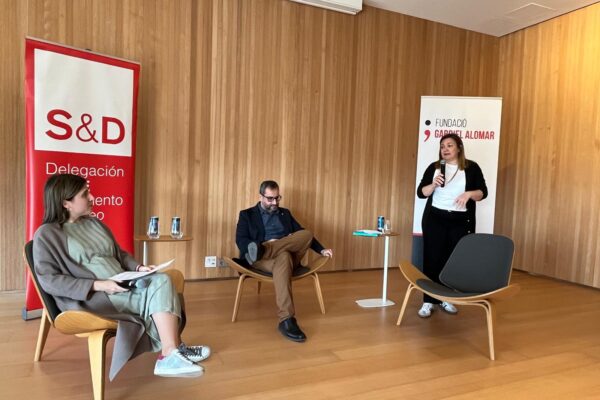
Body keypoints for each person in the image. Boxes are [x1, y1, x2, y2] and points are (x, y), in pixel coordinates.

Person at [33, 174, 211, 379]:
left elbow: (119, 254)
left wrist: (139, 267)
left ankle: (173, 349)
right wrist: (100, 285)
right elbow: (49, 280)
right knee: (161, 284)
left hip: (123, 284)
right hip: (96, 297)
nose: (92, 197)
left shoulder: (94, 223)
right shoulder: (47, 234)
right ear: (66, 203)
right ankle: (170, 353)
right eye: (85, 194)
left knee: (164, 279)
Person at [235, 180, 333, 342]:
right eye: (270, 199)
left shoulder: (285, 213)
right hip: (261, 260)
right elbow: (241, 240)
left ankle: (265, 249)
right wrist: (260, 245)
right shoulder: (247, 214)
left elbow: (302, 234)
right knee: (284, 257)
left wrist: (321, 250)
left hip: (272, 252)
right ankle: (286, 320)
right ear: (261, 197)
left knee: (305, 235)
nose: (274, 203)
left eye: (277, 198)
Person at [416, 134, 487, 318]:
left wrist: (468, 194)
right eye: (442, 146)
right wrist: (433, 185)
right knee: (432, 259)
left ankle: (446, 298)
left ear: (459, 148)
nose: (445, 149)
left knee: (451, 261)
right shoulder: (434, 167)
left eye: (449, 145)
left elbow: (482, 192)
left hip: (460, 220)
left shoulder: (471, 167)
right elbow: (421, 193)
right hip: (435, 219)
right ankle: (428, 301)